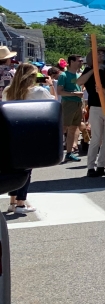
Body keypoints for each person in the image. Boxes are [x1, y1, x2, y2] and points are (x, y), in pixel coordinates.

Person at [3, 62, 53, 215]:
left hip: (10, 132)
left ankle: (12, 202)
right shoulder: (39, 91)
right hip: (31, 132)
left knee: (12, 168)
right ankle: (21, 202)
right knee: (26, 169)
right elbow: (54, 104)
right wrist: (50, 85)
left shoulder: (8, 91)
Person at [77, 47, 105, 177]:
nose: (101, 55)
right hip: (95, 107)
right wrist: (94, 70)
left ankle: (101, 166)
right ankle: (91, 166)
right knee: (96, 138)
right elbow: (79, 82)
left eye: (103, 53)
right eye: (99, 53)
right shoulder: (88, 70)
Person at [56, 54, 84, 162]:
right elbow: (59, 91)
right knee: (63, 128)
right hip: (68, 104)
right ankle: (55, 152)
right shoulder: (64, 75)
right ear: (72, 62)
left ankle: (69, 153)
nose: (81, 62)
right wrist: (74, 94)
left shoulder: (78, 75)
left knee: (73, 129)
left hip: (78, 104)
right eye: (79, 60)